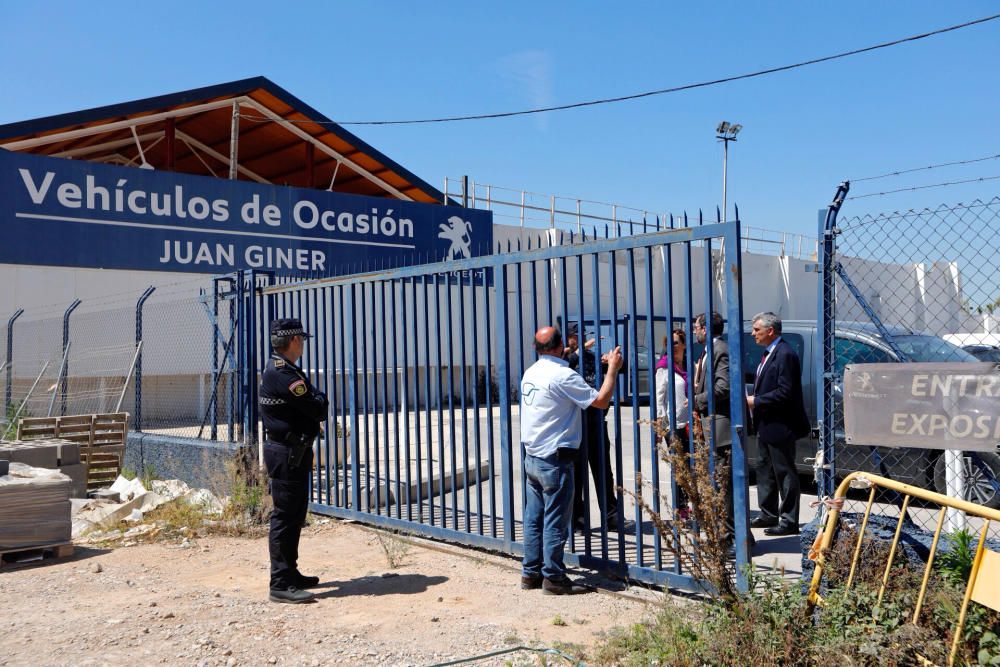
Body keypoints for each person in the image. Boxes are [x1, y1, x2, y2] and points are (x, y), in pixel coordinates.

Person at [520, 326, 623, 594]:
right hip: (555, 459)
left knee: (534, 519)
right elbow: (600, 401)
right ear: (558, 347)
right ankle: (554, 578)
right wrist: (612, 369)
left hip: (532, 457)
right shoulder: (563, 375)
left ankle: (530, 573)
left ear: (536, 348)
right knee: (555, 520)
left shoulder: (530, 373)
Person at [259, 318, 329, 603]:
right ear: (295, 341)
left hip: (294, 452)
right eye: (302, 339)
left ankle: (291, 572)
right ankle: (280, 582)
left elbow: (312, 406)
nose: (303, 344)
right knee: (285, 517)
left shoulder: (284, 368)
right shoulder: (282, 373)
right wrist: (319, 398)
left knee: (295, 514)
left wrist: (315, 401)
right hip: (286, 453)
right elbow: (318, 408)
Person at [563, 323, 634, 534]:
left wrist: (613, 361)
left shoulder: (591, 357)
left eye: (580, 335)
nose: (578, 339)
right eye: (574, 335)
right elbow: (564, 367)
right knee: (576, 475)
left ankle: (611, 517)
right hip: (574, 425)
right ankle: (577, 520)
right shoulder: (564, 360)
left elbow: (616, 371)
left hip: (596, 423)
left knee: (604, 473)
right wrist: (576, 352)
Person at [746, 312, 810, 536]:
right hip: (765, 425)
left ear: (770, 330)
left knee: (784, 472)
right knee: (764, 470)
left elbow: (785, 392)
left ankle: (789, 519)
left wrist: (755, 401)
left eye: (756, 329)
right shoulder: (768, 354)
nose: (753, 333)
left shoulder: (785, 354)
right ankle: (768, 513)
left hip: (780, 425)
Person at [692, 312, 735, 541]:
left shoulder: (720, 350)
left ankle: (727, 536)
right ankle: (734, 533)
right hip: (711, 427)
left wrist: (697, 400)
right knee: (719, 483)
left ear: (706, 329)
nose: (694, 331)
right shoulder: (709, 351)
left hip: (721, 429)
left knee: (722, 485)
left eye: (696, 327)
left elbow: (723, 388)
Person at [655, 329, 690, 518]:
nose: (673, 347)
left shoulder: (687, 367)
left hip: (690, 424)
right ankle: (681, 508)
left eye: (676, 342)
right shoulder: (664, 367)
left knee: (691, 465)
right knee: (680, 467)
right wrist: (660, 425)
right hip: (673, 425)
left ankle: (689, 503)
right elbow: (659, 398)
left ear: (684, 344)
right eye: (669, 344)